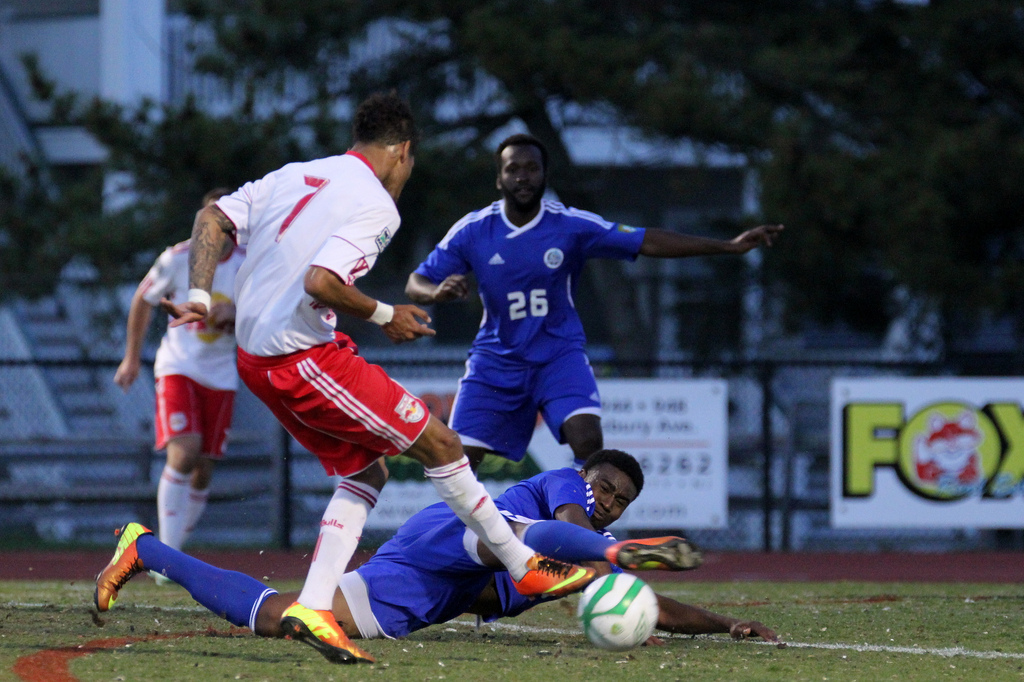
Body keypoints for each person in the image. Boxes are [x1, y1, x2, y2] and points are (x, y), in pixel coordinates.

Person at [158, 93, 594, 664]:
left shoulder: (296, 173)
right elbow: (321, 281)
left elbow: (211, 218)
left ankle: (314, 605)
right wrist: (387, 314)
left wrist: (198, 293)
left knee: (368, 469)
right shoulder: (376, 204)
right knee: (442, 443)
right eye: (411, 164)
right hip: (301, 358)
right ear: (403, 151)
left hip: (259, 356)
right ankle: (522, 564)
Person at [95, 450, 778, 658]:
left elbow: (643, 601)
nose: (606, 498)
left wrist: (725, 625)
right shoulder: (565, 488)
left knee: (285, 618)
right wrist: (614, 552)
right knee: (521, 546)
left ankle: (144, 547)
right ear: (584, 476)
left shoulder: (574, 562)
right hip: (459, 534)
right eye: (605, 486)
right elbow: (566, 525)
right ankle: (616, 554)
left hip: (427, 582)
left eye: (620, 501)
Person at [406, 133, 784, 469]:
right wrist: (436, 293)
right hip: (497, 360)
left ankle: (579, 521)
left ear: (544, 176)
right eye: (513, 169)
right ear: (499, 178)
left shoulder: (570, 225)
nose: (523, 177)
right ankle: (464, 528)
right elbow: (416, 281)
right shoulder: (474, 229)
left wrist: (727, 246)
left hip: (558, 356)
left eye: (532, 168)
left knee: (588, 440)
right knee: (456, 461)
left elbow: (646, 240)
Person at [114, 188, 243, 561]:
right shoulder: (177, 257)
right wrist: (131, 358)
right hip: (178, 365)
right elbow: (143, 299)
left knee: (204, 468)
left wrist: (236, 313)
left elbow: (266, 311)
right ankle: (166, 560)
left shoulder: (248, 262)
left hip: (221, 373)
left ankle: (172, 552)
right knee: (185, 451)